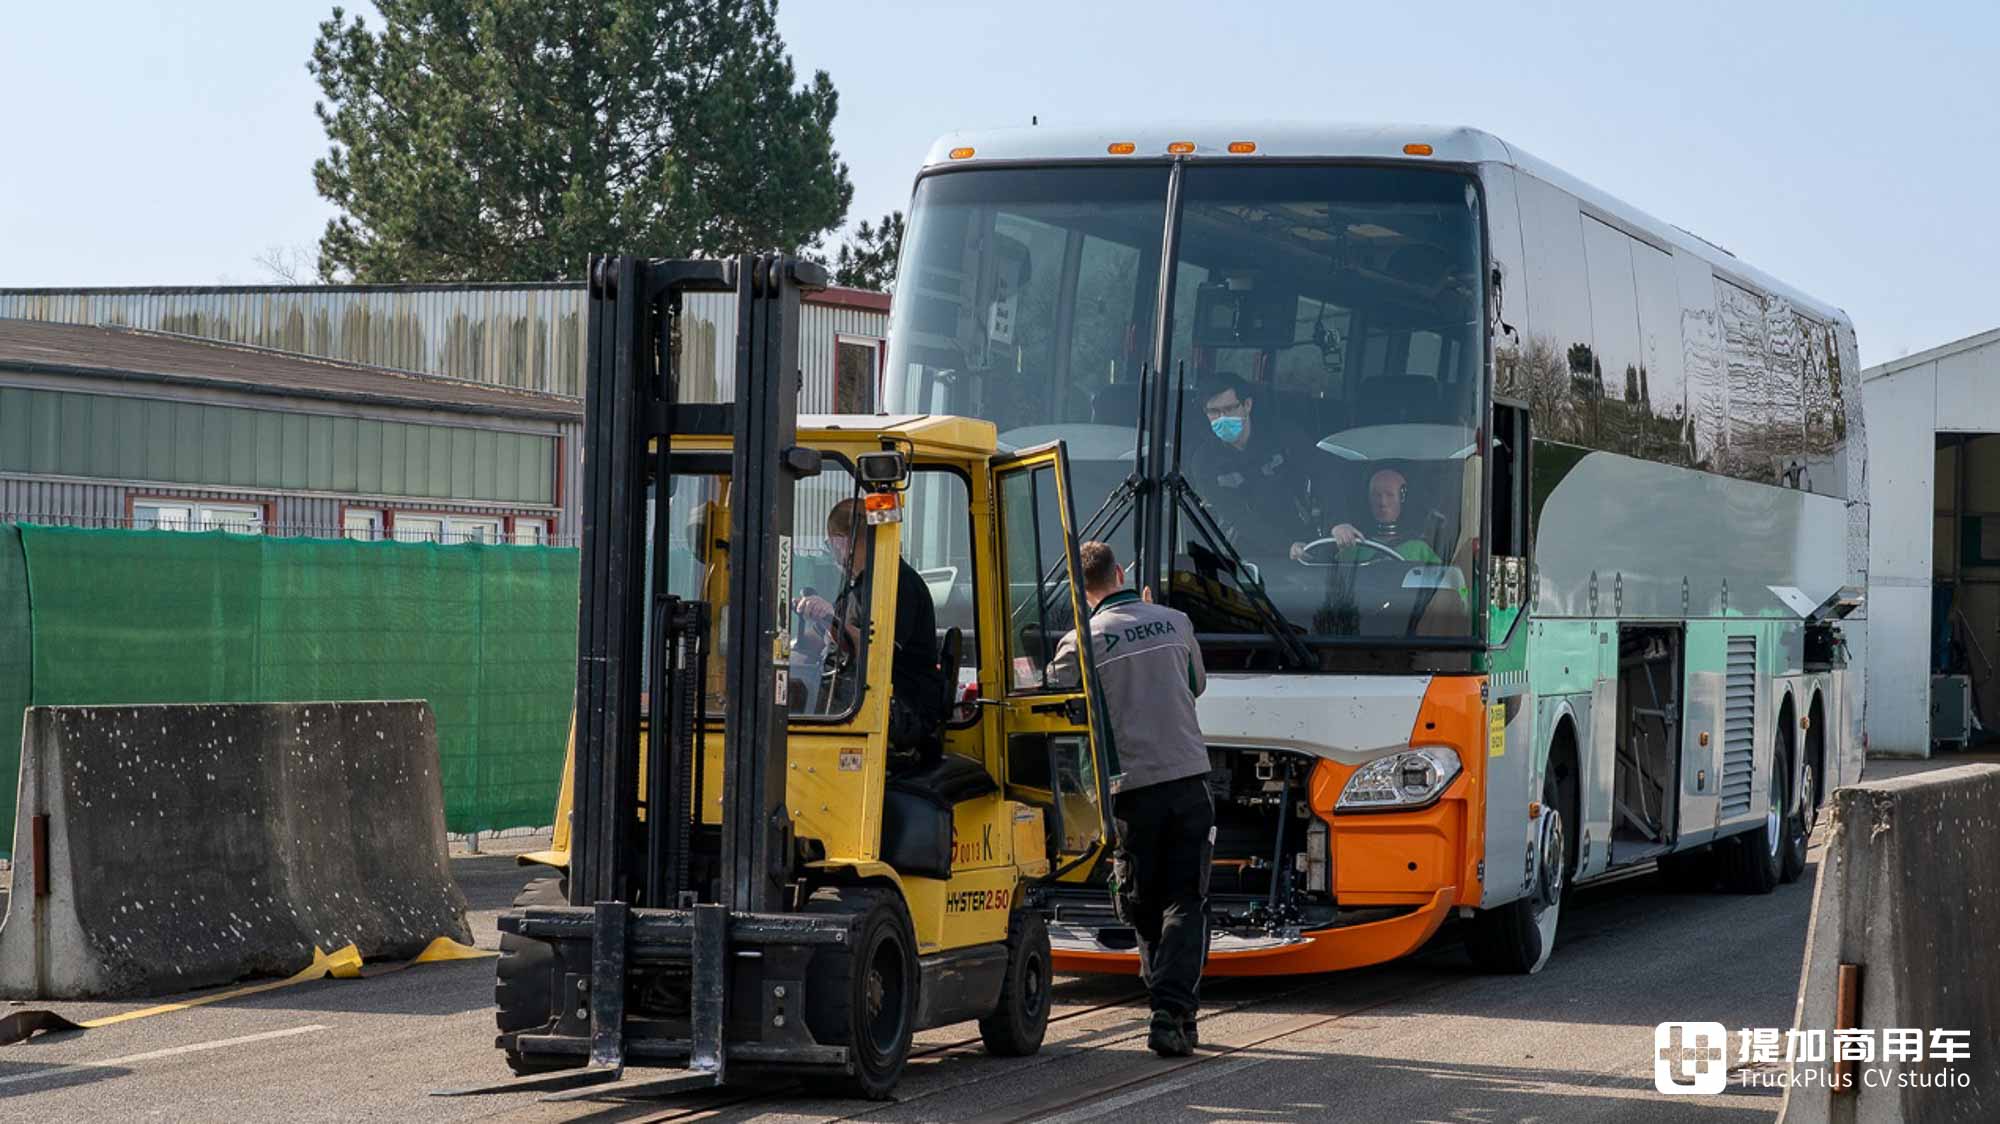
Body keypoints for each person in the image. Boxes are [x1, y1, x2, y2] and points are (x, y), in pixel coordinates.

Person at [1047, 541, 1211, 1058]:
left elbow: (1059, 708)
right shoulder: (1175, 621)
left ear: (1080, 588)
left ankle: (1167, 1006)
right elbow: (1196, 686)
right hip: (1188, 778)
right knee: (1186, 899)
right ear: (1121, 573)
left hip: (1129, 791)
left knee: (1142, 901)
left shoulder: (1080, 642)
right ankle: (1174, 1010)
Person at [794, 498, 947, 750]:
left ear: (843, 542)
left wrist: (828, 614)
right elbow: (830, 635)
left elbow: (874, 649)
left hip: (900, 706)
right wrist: (790, 643)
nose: (832, 551)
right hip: (858, 695)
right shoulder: (857, 585)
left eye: (831, 544)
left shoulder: (896, 584)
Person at [1183, 373, 1318, 563]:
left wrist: (1338, 521)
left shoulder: (1284, 439)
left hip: (1303, 549)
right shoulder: (1203, 461)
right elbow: (1235, 515)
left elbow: (1323, 473)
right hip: (1237, 561)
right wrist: (1285, 546)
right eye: (1214, 411)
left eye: (1229, 409)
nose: (1222, 418)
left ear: (1247, 405)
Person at [1291, 466, 1442, 564]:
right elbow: (1327, 580)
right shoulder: (1352, 548)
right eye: (1376, 495)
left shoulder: (1420, 549)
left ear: (1402, 498)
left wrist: (1464, 593)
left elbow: (1457, 588)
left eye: (1390, 495)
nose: (1383, 502)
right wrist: (1305, 556)